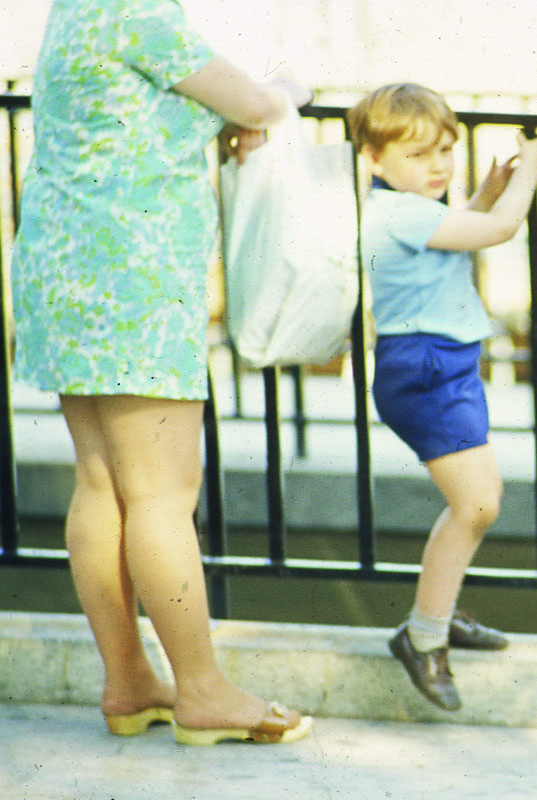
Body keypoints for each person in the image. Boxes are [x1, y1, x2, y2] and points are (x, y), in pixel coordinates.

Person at [10, 0, 314, 745]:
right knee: (161, 491)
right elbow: (254, 100)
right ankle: (202, 689)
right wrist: (287, 91)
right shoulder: (138, 10)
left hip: (65, 266)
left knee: (102, 482)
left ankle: (129, 679)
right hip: (133, 275)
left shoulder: (73, 11)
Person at [347, 84, 537, 710]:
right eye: (418, 156)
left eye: (445, 151)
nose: (436, 167)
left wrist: (486, 189)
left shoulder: (407, 207)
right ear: (374, 159)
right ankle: (424, 637)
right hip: (426, 369)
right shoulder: (397, 213)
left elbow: (466, 227)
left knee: (480, 502)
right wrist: (531, 172)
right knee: (477, 505)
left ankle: (437, 610)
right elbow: (500, 228)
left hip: (447, 364)